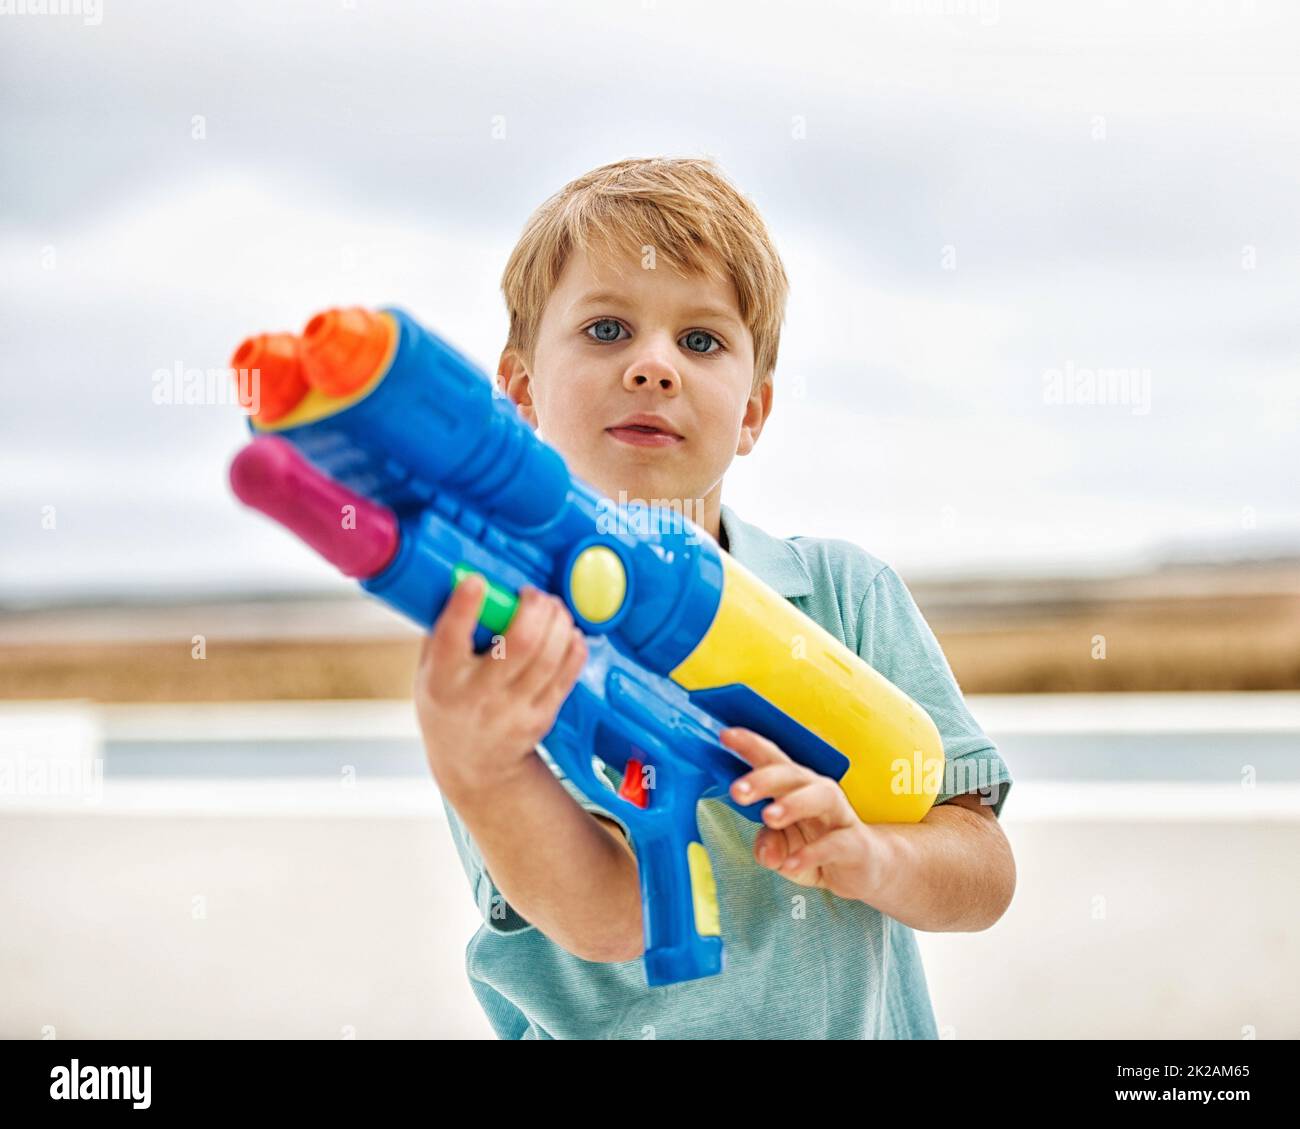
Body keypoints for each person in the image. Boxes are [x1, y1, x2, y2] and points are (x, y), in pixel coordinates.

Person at [414, 157, 1016, 1039]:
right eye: (608, 328)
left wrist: (873, 855)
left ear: (754, 410)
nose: (654, 366)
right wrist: (480, 767)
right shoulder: (505, 649)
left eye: (700, 341)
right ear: (518, 390)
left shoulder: (842, 597)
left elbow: (984, 873)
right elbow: (612, 921)